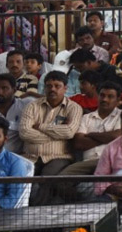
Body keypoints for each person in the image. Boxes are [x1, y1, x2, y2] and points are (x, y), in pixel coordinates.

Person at [18, 71, 82, 204]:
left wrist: (41, 126)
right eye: (49, 86)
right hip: (31, 155)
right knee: (18, 176)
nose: (52, 89)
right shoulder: (32, 106)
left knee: (47, 178)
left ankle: (37, 216)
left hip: (58, 157)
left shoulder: (74, 108)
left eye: (57, 86)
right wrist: (57, 135)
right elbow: (24, 132)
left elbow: (69, 132)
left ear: (65, 88)